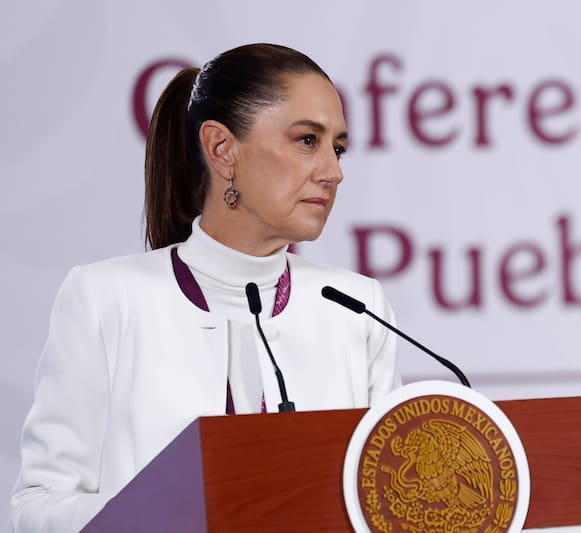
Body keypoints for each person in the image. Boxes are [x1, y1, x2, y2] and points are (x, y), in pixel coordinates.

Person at [10, 43, 401, 532]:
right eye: (307, 141)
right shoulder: (106, 298)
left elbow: (387, 504)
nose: (333, 171)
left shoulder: (357, 309)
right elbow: (35, 510)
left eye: (337, 148)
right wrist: (174, 512)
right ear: (221, 148)